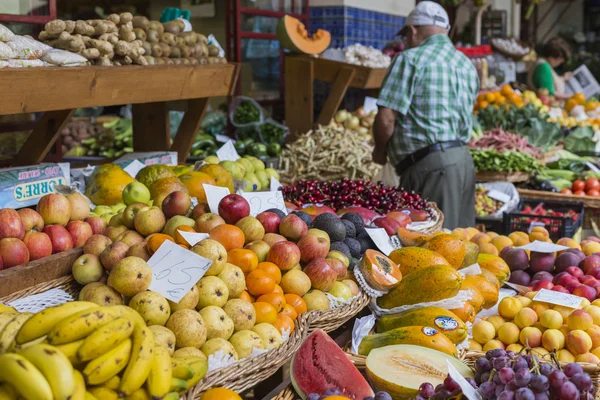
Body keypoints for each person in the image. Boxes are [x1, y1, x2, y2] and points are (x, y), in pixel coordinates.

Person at [372, 1, 480, 229]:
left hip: (431, 168)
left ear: (412, 30)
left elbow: (387, 117)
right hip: (463, 162)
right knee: (460, 243)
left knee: (431, 246)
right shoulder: (466, 64)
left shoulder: (410, 59)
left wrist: (379, 152)